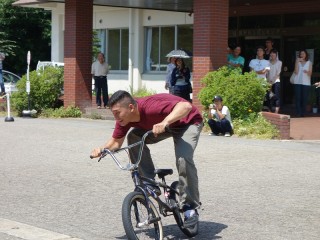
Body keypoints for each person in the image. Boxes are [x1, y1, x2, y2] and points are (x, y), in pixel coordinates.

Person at [90, 90, 203, 228]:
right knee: (133, 137)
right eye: (113, 113)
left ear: (131, 107)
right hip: (163, 125)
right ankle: (149, 182)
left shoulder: (151, 107)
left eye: (117, 112)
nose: (116, 117)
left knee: (183, 159)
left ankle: (190, 208)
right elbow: (116, 142)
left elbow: (186, 106)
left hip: (187, 122)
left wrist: (165, 121)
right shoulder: (123, 119)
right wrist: (101, 150)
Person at [293, 49, 313, 117]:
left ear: (306, 55)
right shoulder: (297, 62)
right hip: (297, 82)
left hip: (306, 83)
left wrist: (307, 72)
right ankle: (298, 112)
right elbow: (296, 72)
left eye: (303, 54)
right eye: (301, 54)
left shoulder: (309, 62)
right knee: (298, 98)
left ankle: (303, 112)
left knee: (304, 98)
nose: (302, 55)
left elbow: (310, 74)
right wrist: (296, 62)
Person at [267, 49, 282, 113]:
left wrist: (272, 81)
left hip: (276, 80)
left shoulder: (279, 62)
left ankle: (276, 110)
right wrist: (268, 81)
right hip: (268, 81)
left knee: (277, 95)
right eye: (271, 53)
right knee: (269, 95)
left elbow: (278, 73)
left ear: (276, 55)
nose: (272, 54)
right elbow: (266, 72)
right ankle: (270, 109)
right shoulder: (267, 62)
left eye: (274, 53)